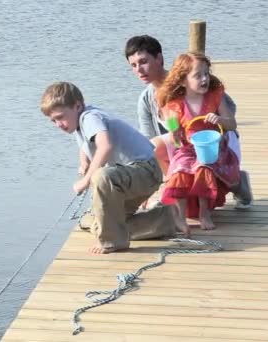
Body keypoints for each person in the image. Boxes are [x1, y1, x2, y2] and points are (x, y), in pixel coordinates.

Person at [40, 81, 183, 254]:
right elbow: (85, 144)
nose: (58, 124)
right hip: (130, 177)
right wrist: (84, 162)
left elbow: (105, 146)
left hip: (145, 171)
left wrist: (85, 181)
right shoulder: (79, 121)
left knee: (101, 176)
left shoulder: (89, 118)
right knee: (100, 226)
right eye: (53, 120)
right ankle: (165, 219)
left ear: (77, 106)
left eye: (61, 117)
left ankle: (111, 242)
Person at [124, 35, 252, 209]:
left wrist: (209, 125)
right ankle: (174, 188)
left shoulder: (192, 77)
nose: (139, 69)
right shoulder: (146, 99)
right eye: (133, 65)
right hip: (180, 145)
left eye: (143, 61)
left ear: (159, 58)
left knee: (210, 166)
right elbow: (149, 141)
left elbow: (230, 108)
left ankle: (238, 183)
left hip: (213, 139)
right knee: (151, 147)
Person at [156, 52, 240, 235]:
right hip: (187, 149)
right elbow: (174, 139)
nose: (204, 79)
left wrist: (219, 119)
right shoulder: (174, 105)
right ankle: (179, 217)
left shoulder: (214, 96)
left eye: (206, 73)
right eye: (198, 75)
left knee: (204, 167)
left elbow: (232, 124)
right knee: (180, 170)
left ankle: (204, 212)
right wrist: (174, 133)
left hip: (214, 148)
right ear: (183, 80)